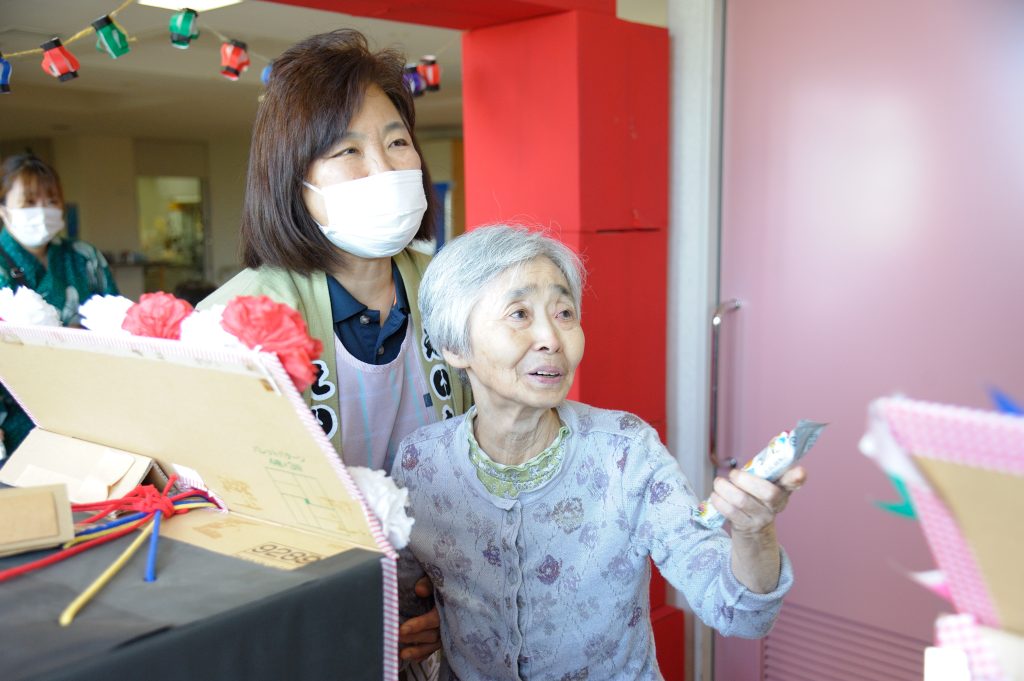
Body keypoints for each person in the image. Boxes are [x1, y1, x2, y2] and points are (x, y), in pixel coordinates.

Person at [393, 225, 806, 680]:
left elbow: (741, 614)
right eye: (519, 314)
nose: (552, 338)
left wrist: (753, 533)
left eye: (564, 313)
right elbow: (400, 612)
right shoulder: (421, 464)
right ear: (455, 346)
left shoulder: (625, 452)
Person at [197, 29, 471, 664]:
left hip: (446, 607)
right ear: (294, 182)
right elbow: (224, 503)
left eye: (397, 142)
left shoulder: (455, 287)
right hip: (309, 619)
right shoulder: (237, 320)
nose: (385, 168)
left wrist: (458, 602)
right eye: (347, 150)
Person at [0, 153, 119, 460]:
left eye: (51, 200)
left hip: (82, 400)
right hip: (13, 410)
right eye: (29, 202)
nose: (42, 210)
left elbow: (115, 322)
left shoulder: (83, 256)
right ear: (3, 209)